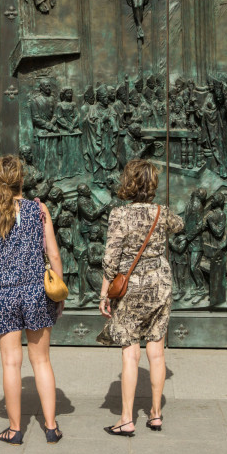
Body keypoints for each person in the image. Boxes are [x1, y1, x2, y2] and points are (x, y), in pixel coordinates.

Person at [0, 155, 64, 445]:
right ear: (22, 180)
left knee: (11, 364)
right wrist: (59, 290)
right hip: (36, 292)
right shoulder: (39, 209)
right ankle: (51, 427)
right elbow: (53, 254)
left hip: (3, 294)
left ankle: (15, 429)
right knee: (41, 361)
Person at [97, 160, 183, 435]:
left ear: (129, 183)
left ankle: (126, 418)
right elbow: (179, 225)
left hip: (131, 287)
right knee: (156, 350)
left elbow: (111, 259)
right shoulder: (161, 212)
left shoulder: (120, 214)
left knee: (130, 352)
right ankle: (155, 414)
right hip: (160, 283)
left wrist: (104, 294)